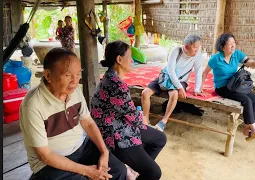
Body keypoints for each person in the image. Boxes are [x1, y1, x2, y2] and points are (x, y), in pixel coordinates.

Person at [20, 48, 127, 180]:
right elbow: (45, 155)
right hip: (48, 162)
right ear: (48, 75)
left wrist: (104, 151)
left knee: (118, 170)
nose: (75, 81)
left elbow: (87, 122)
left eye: (78, 74)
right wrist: (86, 171)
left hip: (80, 147)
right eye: (67, 75)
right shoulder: (32, 104)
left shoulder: (73, 91)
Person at [91, 40, 167, 180]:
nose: (132, 60)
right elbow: (135, 118)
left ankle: (135, 169)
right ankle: (139, 170)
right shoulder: (116, 85)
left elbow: (129, 114)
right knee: (154, 173)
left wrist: (140, 118)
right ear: (119, 59)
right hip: (114, 135)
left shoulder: (110, 77)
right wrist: (143, 117)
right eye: (130, 56)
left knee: (160, 138)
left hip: (120, 125)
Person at [201, 33, 255, 142]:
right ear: (222, 47)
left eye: (234, 43)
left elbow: (253, 63)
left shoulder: (237, 54)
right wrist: (200, 88)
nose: (233, 46)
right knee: (246, 100)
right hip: (222, 88)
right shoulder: (215, 58)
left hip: (235, 85)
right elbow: (204, 73)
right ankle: (254, 129)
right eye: (229, 44)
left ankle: (247, 127)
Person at [141, 34, 205, 132]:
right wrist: (179, 87)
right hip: (166, 77)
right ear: (186, 47)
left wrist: (197, 89)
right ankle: (146, 120)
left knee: (174, 94)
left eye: (198, 47)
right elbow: (170, 71)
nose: (197, 50)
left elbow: (198, 72)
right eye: (195, 47)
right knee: (145, 93)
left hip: (181, 80)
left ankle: (163, 121)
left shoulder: (198, 56)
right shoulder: (176, 51)